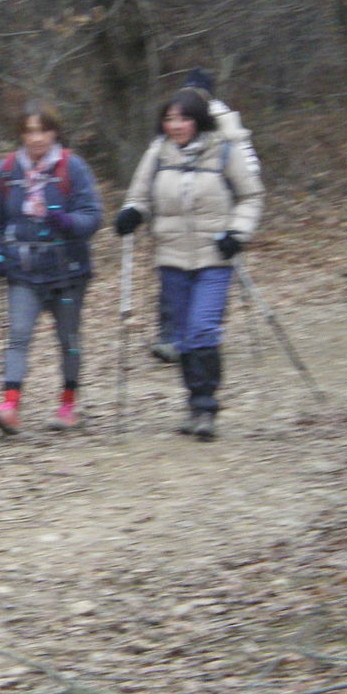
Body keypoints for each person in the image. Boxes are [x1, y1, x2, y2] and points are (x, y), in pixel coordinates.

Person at [114, 89, 263, 440]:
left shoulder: (224, 150)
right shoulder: (157, 154)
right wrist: (132, 214)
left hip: (215, 257)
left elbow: (251, 195)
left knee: (202, 330)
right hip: (171, 258)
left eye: (183, 118)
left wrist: (237, 233)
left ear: (198, 121)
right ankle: (194, 404)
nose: (176, 125)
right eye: (169, 119)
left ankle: (207, 407)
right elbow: (139, 196)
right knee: (182, 336)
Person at [0, 103, 103, 434]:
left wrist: (67, 221)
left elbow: (93, 216)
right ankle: (9, 406)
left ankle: (68, 406)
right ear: (21, 134)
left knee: (68, 339)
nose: (36, 138)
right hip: (22, 270)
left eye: (43, 130)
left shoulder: (72, 167)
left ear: (54, 132)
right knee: (18, 336)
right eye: (29, 131)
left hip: (68, 270)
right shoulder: (7, 171)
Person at [148, 68, 263, 364]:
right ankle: (174, 336)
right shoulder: (173, 126)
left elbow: (247, 166)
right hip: (177, 224)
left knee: (210, 284)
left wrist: (237, 227)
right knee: (174, 279)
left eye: (198, 90)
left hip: (216, 213)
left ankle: (203, 334)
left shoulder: (223, 121)